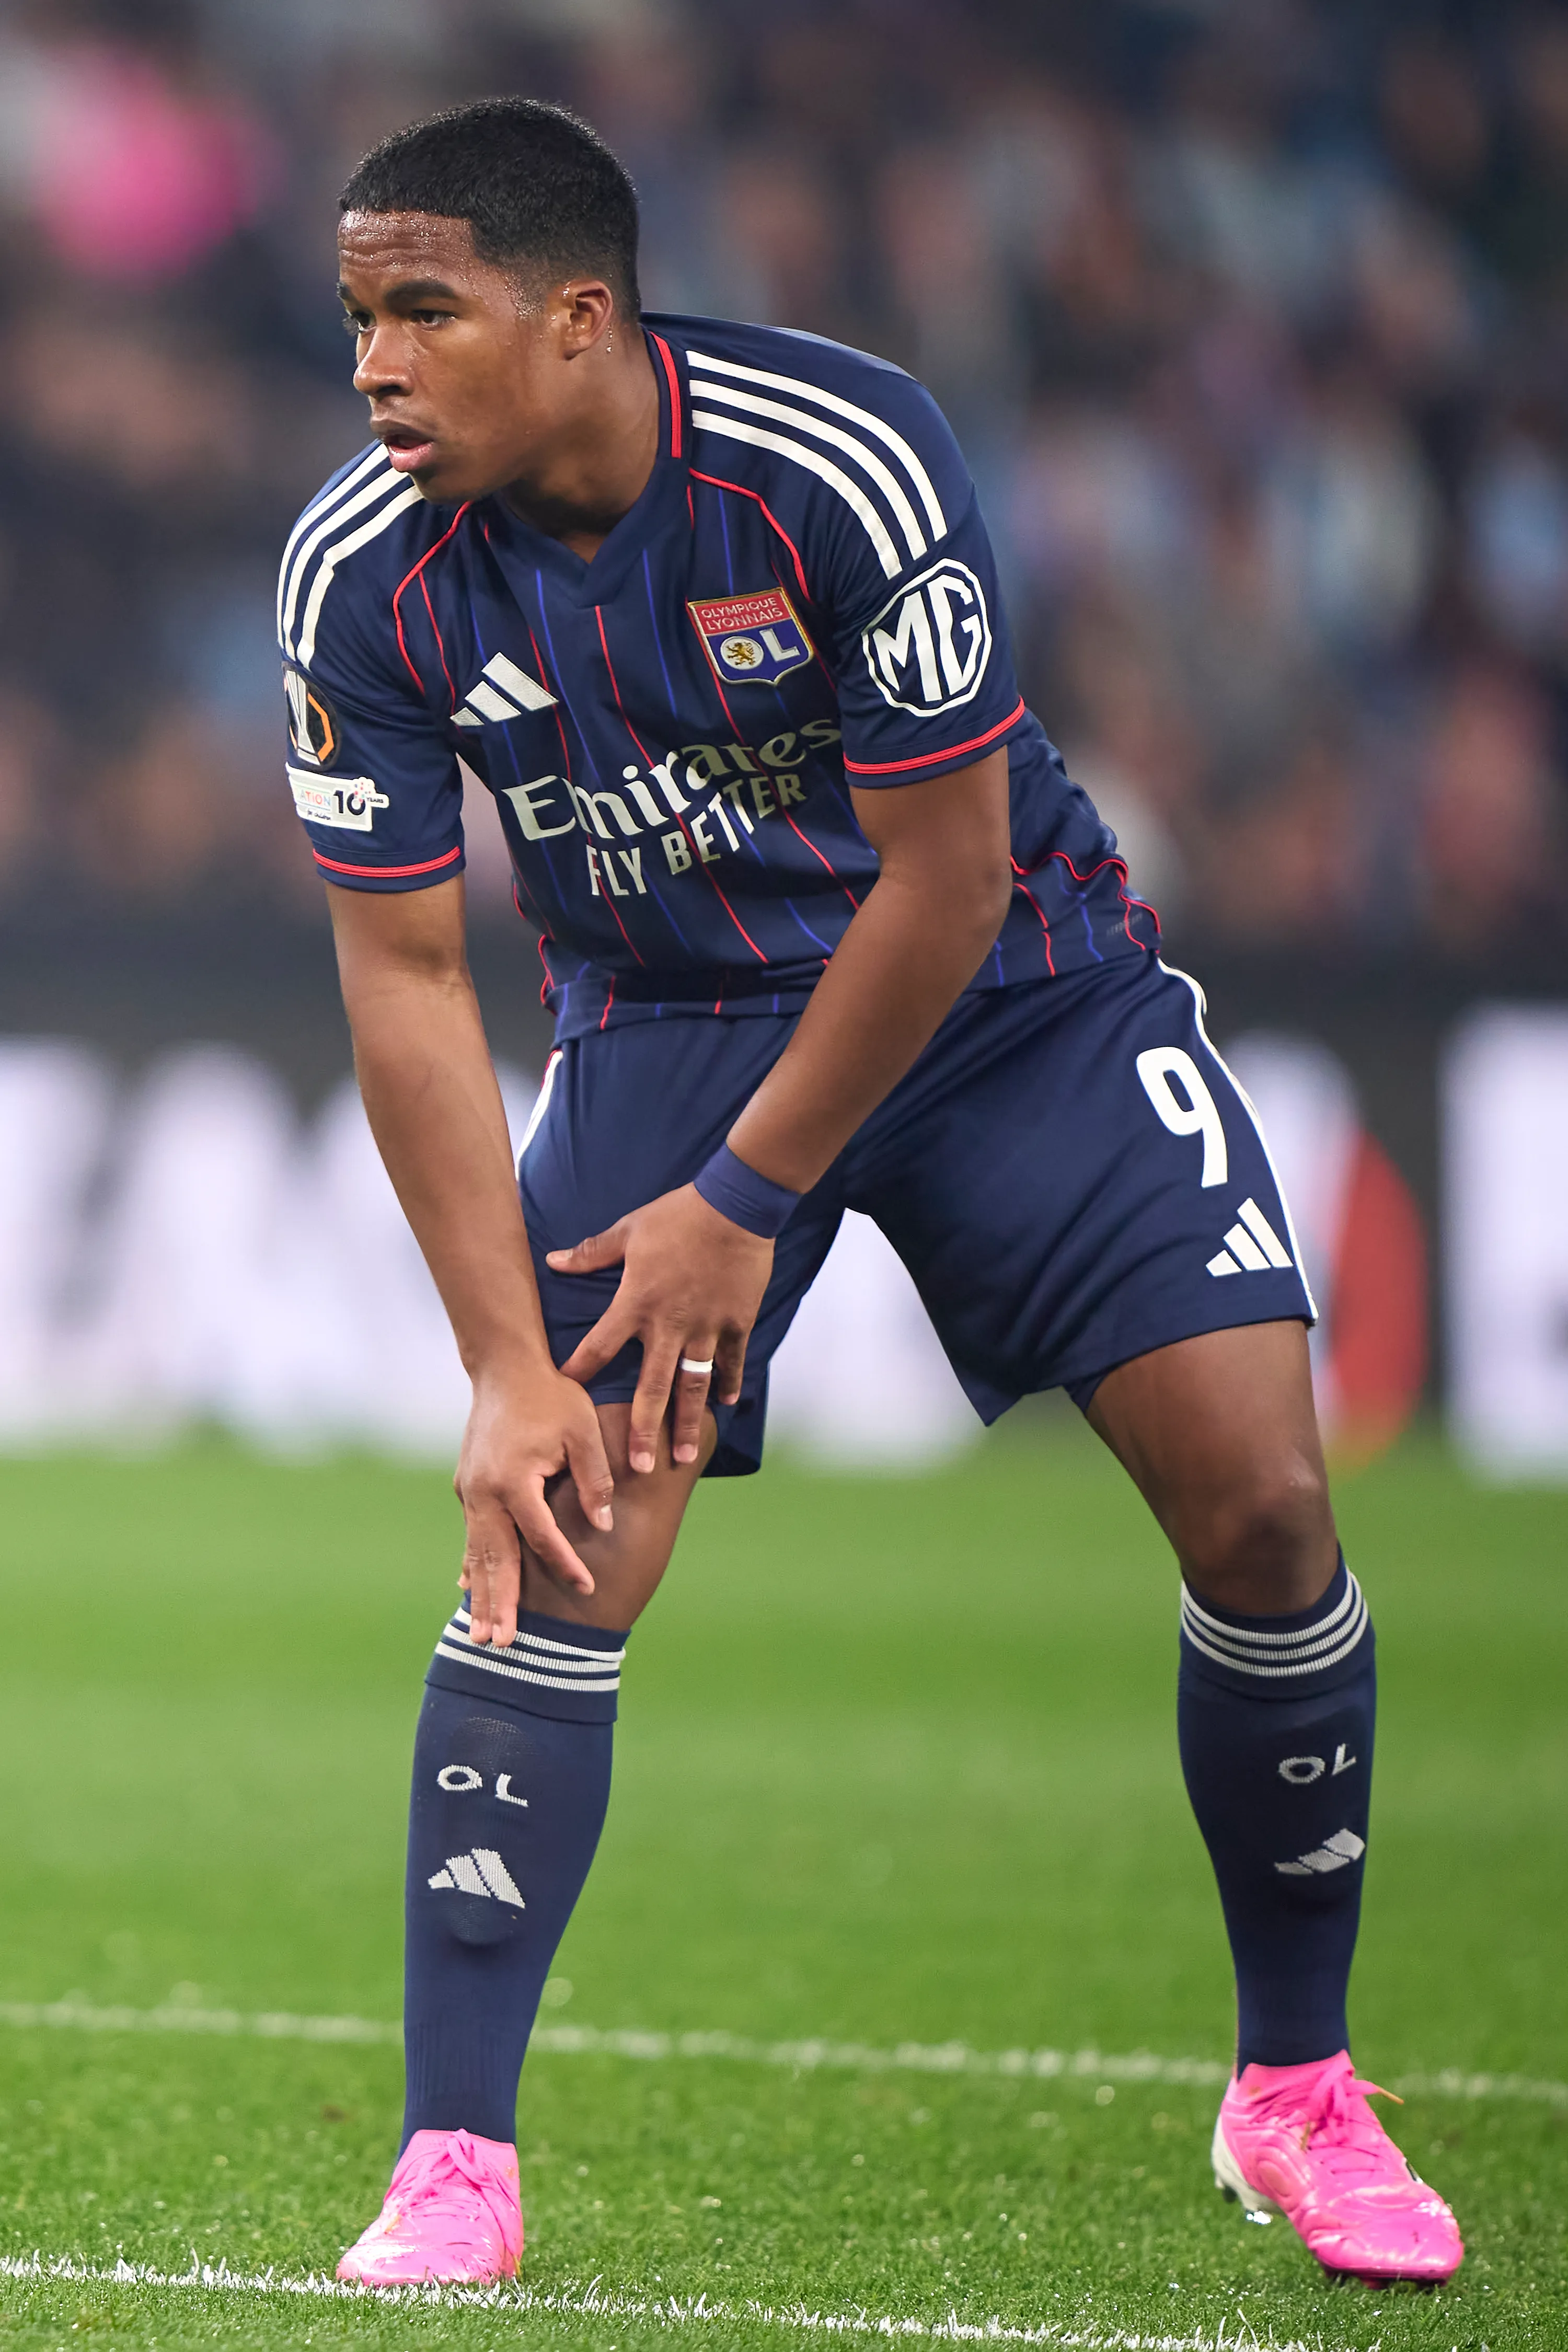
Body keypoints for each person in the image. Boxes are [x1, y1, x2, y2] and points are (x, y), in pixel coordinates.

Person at [279, 97, 1463, 2291]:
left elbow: (949, 875)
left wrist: (743, 1201)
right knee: (553, 1540)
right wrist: (501, 1364)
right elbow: (408, 977)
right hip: (669, 1018)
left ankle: (1298, 2090)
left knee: (1268, 1507)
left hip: (1015, 998)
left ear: (580, 317)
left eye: (422, 312)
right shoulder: (363, 574)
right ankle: (453, 2159)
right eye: (359, 318)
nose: (375, 366)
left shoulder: (841, 458)